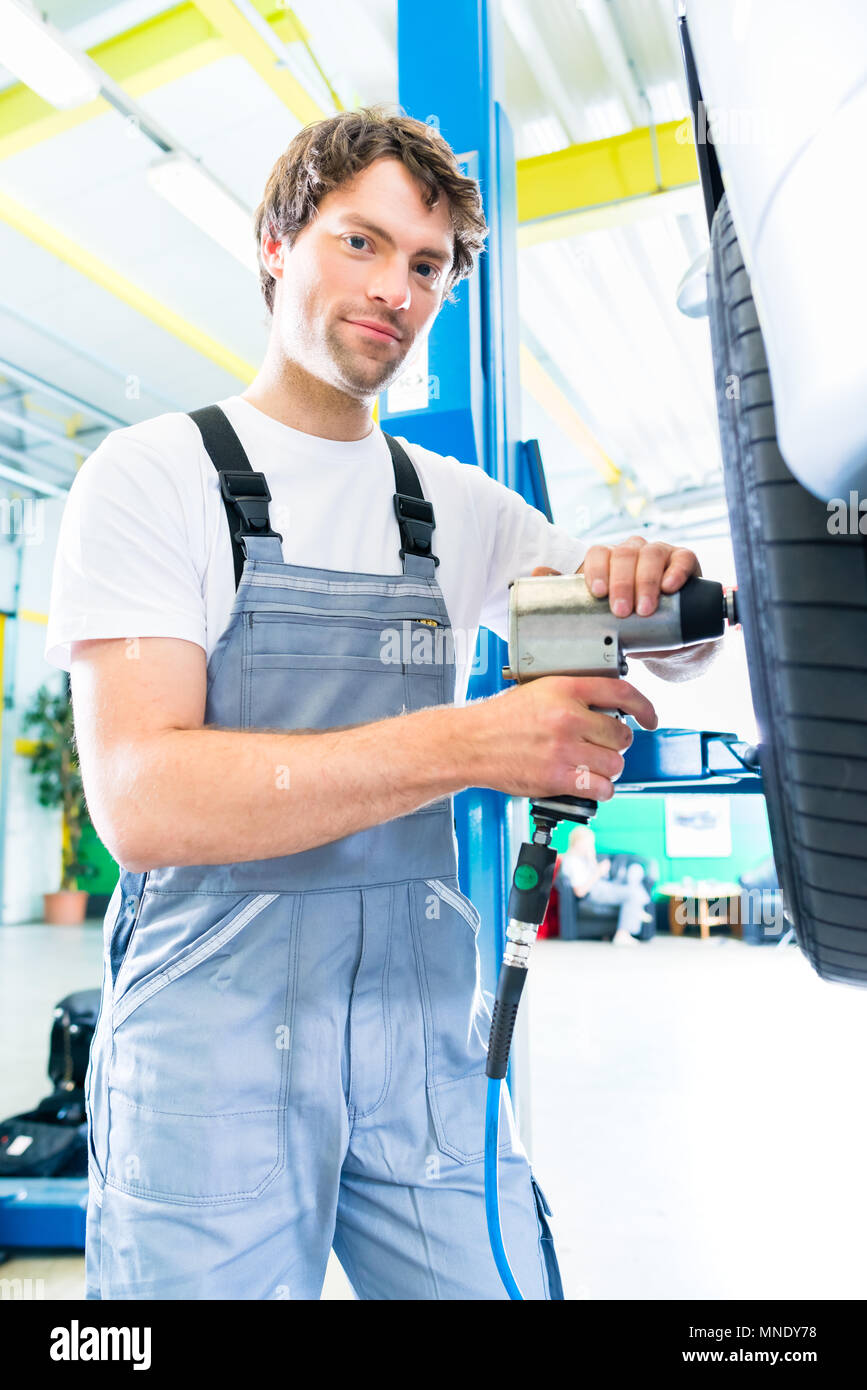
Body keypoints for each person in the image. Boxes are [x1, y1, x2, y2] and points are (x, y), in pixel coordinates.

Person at [45, 106, 719, 1300]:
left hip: (422, 1044)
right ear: (275, 243)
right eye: (360, 242)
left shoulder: (458, 509)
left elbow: (653, 644)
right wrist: (473, 741)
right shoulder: (153, 479)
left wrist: (667, 597)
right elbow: (144, 802)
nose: (395, 291)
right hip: (209, 1050)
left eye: (427, 265)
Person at [558, 825, 652, 944]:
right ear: (578, 842)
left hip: (602, 886)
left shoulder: (582, 858)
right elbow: (580, 891)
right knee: (633, 894)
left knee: (635, 872)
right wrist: (598, 872)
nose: (590, 846)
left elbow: (595, 875)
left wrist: (591, 859)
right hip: (594, 892)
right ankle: (623, 933)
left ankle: (637, 908)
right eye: (588, 842)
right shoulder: (572, 861)